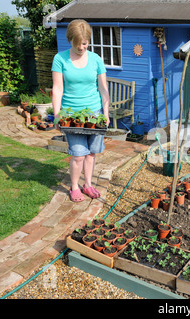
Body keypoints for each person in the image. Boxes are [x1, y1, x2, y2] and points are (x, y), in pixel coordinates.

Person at [51, 19, 110, 202]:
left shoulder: (96, 59)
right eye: (78, 44)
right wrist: (57, 114)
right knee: (78, 155)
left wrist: (106, 114)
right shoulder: (60, 59)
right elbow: (58, 88)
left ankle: (88, 185)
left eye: (84, 43)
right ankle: (75, 187)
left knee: (91, 153)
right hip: (71, 115)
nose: (81, 48)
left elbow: (103, 89)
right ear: (70, 40)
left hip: (94, 112)